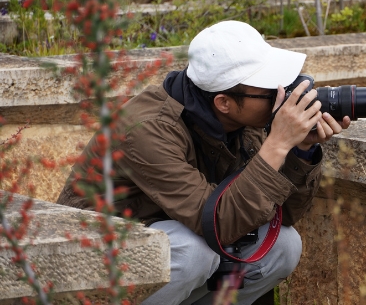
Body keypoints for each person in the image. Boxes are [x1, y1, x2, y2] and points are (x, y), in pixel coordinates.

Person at [56, 20, 350, 304]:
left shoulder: (244, 121)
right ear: (224, 102)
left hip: (168, 236)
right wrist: (277, 144)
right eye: (270, 90)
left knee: (283, 245)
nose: (282, 96)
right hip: (90, 257)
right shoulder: (146, 130)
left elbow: (280, 215)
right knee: (194, 251)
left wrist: (300, 151)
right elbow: (217, 225)